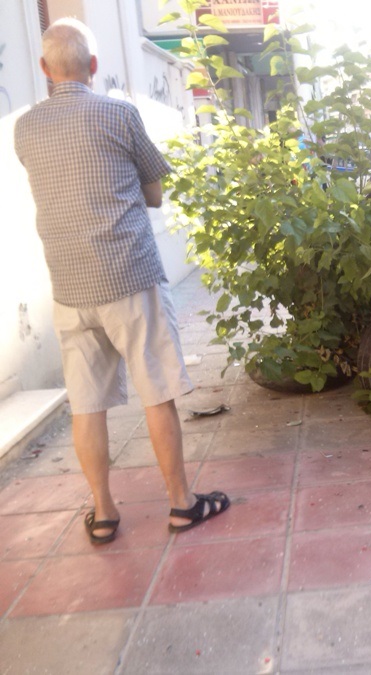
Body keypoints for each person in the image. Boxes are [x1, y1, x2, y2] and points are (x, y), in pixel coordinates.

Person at [14, 18, 229, 545]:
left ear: (44, 70)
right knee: (157, 391)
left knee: (85, 402)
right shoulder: (119, 113)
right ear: (93, 66)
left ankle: (104, 513)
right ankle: (181, 504)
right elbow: (155, 194)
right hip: (128, 274)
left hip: (69, 286)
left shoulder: (24, 129)